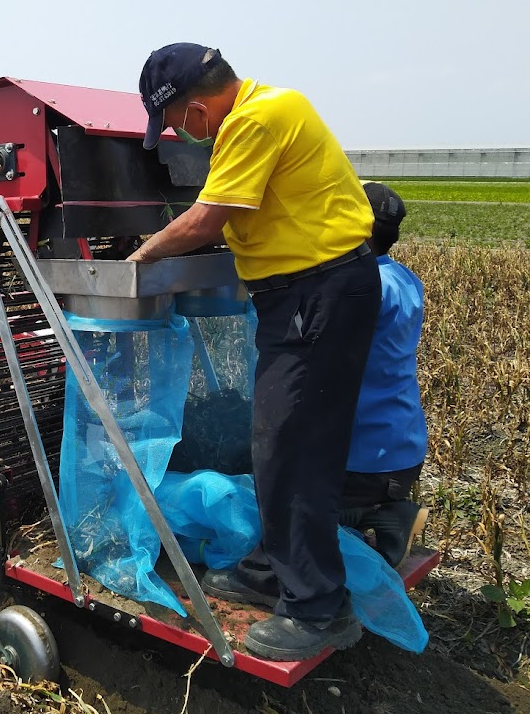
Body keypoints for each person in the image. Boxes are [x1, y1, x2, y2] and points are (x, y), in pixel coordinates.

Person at [129, 43, 380, 661]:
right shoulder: (266, 110)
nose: (181, 138)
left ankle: (316, 605)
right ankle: (274, 567)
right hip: (303, 297)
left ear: (192, 110)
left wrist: (140, 255)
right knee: (283, 441)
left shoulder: (253, 118)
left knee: (293, 449)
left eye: (174, 126)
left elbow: (208, 219)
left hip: (316, 296)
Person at [340, 182, 428, 568]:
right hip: (403, 444)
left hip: (367, 458)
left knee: (292, 517)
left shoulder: (361, 288)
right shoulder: (404, 278)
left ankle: (379, 516)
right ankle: (388, 510)